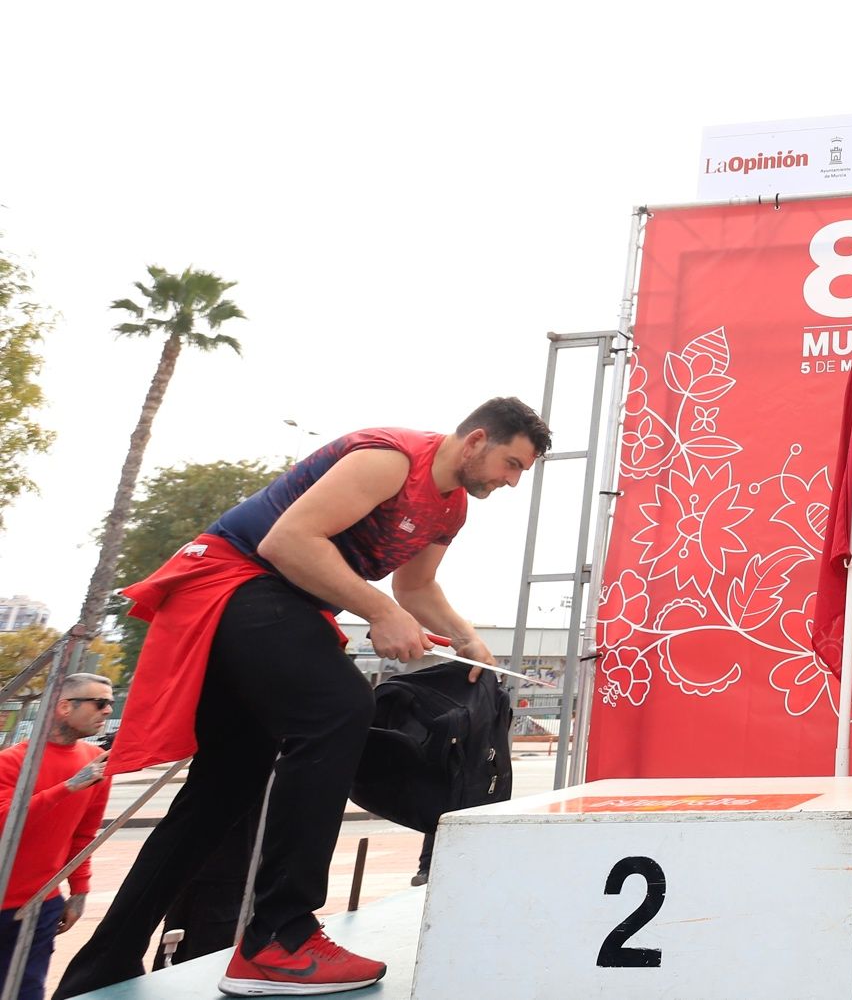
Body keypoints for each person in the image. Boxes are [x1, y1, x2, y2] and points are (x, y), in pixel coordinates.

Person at [55, 397, 552, 997]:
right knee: (341, 708)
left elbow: (415, 586)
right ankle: (279, 937)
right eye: (511, 463)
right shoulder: (390, 460)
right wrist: (378, 611)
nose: (512, 480)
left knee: (225, 787)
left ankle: (102, 964)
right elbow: (286, 542)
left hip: (280, 603)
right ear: (475, 441)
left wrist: (468, 637)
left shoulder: (450, 510)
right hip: (232, 580)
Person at [0, 673, 112, 1000]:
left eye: (110, 703)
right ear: (65, 707)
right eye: (100, 702)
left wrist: (79, 891)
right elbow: (5, 821)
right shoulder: (11, 761)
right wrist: (67, 788)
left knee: (27, 991)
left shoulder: (96, 763)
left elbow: (83, 834)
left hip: (41, 903)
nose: (107, 711)